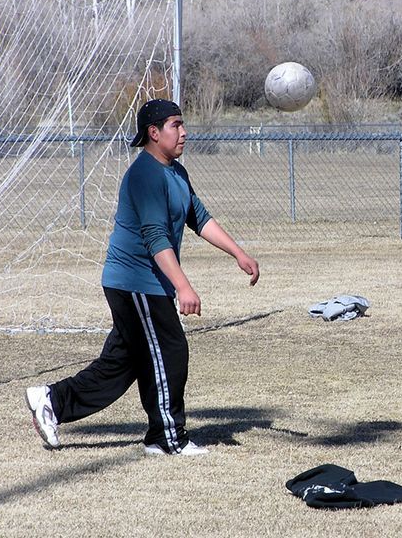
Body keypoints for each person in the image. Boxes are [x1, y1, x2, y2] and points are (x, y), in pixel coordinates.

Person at [26, 98, 259, 456]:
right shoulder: (145, 174)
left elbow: (199, 216)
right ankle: (168, 437)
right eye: (175, 125)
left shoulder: (175, 172)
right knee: (170, 351)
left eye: (183, 125)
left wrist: (238, 253)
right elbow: (155, 237)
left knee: (124, 363)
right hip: (135, 281)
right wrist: (183, 286)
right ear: (153, 133)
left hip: (141, 284)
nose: (183, 133)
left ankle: (52, 401)